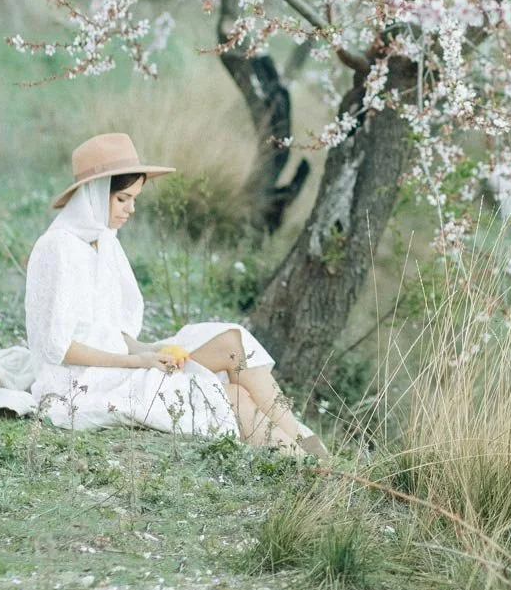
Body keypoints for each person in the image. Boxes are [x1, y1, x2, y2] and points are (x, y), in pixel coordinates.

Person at [25, 133, 325, 453]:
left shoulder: (105, 240)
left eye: (135, 199)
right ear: (94, 195)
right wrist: (136, 363)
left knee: (231, 340)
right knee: (232, 397)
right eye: (123, 199)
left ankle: (299, 440)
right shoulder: (58, 247)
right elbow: (59, 348)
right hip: (82, 379)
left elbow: (113, 331)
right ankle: (303, 463)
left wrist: (152, 351)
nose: (131, 209)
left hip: (122, 361)